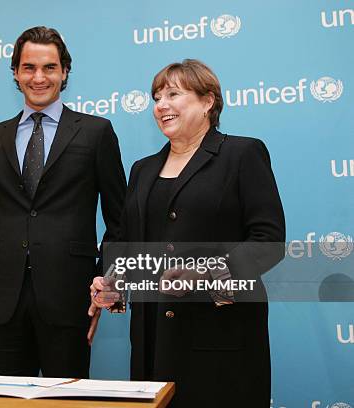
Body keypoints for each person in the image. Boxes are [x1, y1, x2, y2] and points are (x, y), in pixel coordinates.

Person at [90, 59, 285, 407]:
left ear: (208, 101)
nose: (161, 104)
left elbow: (268, 242)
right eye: (156, 97)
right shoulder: (142, 169)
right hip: (154, 337)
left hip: (220, 334)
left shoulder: (242, 154)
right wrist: (110, 279)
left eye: (173, 94)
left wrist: (205, 274)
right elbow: (123, 241)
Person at [0, 26, 126, 378]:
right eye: (29, 67)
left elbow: (120, 221)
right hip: (1, 303)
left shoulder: (97, 132)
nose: (39, 77)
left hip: (71, 301)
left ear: (65, 72)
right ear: (16, 73)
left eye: (49, 67)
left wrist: (105, 282)